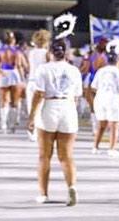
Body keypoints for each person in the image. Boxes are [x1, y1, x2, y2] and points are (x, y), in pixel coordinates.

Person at [27, 39, 83, 205]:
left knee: (44, 155)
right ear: (65, 53)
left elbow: (39, 94)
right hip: (67, 107)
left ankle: (43, 194)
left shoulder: (43, 69)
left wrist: (31, 116)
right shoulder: (74, 70)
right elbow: (77, 94)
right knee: (66, 156)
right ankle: (71, 187)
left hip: (49, 107)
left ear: (50, 52)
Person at [91, 49, 119, 157]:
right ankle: (111, 148)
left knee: (101, 125)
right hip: (114, 99)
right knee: (114, 125)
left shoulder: (101, 71)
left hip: (100, 98)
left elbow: (93, 87)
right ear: (117, 60)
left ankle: (95, 147)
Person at [0, 30, 27, 133]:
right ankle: (12, 125)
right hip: (14, 74)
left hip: (4, 73)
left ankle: (3, 125)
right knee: (14, 102)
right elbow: (20, 65)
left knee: (3, 101)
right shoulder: (17, 52)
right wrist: (22, 79)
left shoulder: (0, 51)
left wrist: (0, 73)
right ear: (13, 40)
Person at [25, 29, 51, 133]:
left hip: (31, 80)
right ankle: (39, 129)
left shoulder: (31, 53)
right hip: (42, 82)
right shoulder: (47, 53)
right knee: (41, 107)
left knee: (31, 106)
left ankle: (32, 128)